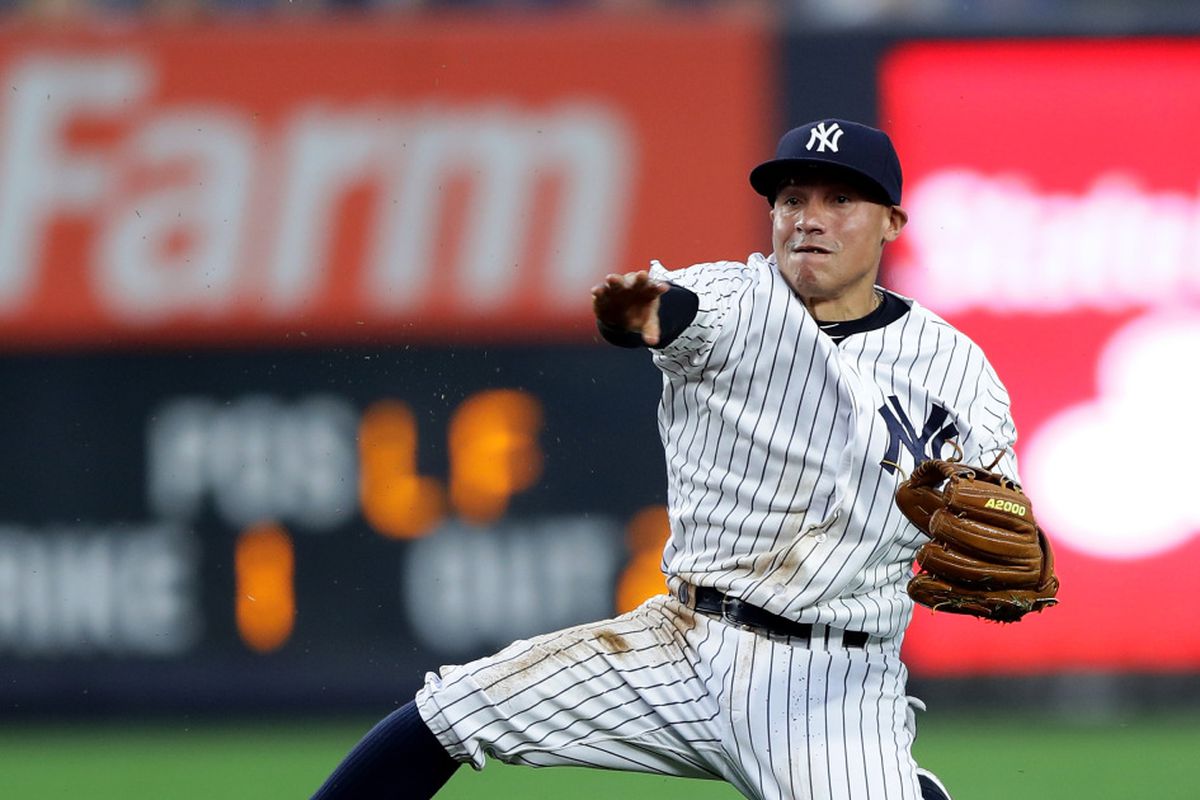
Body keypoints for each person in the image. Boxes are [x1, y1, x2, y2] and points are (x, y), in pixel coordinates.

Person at [309, 118, 1019, 800]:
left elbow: (1002, 513)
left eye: (840, 199)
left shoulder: (955, 367)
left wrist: (1000, 547)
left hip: (834, 686)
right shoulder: (736, 300)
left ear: (892, 222)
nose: (810, 218)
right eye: (792, 199)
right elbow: (674, 310)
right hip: (680, 643)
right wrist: (643, 311)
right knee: (454, 709)